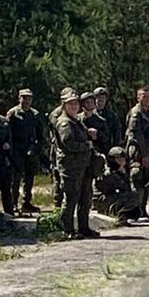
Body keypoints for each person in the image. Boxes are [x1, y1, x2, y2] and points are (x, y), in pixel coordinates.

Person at [54, 87, 99, 239]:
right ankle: (67, 230)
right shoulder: (64, 123)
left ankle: (83, 227)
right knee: (71, 198)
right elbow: (69, 143)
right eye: (70, 104)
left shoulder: (76, 121)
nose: (74, 106)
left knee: (85, 198)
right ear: (64, 105)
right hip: (71, 167)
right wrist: (87, 145)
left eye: (75, 103)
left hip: (83, 166)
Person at [8, 87, 46, 213]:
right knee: (16, 178)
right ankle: (13, 203)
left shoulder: (35, 114)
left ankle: (26, 202)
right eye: (24, 98)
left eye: (29, 98)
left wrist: (38, 147)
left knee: (29, 178)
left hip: (31, 150)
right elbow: (7, 132)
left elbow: (40, 132)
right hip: (17, 150)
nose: (26, 100)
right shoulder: (13, 113)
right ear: (19, 98)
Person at [125, 86, 149, 219]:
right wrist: (144, 154)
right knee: (138, 180)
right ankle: (135, 211)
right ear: (138, 98)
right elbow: (136, 135)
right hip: (139, 151)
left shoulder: (148, 113)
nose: (147, 99)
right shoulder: (136, 113)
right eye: (144, 96)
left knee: (148, 181)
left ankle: (143, 210)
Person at [92, 147, 145, 222]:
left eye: (123, 159)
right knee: (133, 196)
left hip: (108, 197)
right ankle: (114, 213)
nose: (122, 162)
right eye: (119, 159)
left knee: (135, 194)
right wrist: (124, 173)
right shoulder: (109, 173)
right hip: (101, 200)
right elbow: (125, 187)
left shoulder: (116, 171)